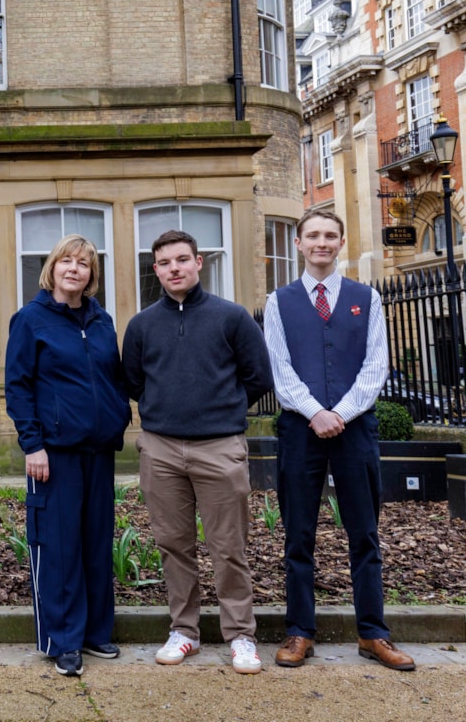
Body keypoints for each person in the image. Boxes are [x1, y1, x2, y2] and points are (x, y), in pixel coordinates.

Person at [263, 208, 414, 671]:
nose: (321, 243)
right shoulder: (278, 302)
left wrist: (340, 415)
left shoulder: (366, 298)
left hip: (355, 430)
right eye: (313, 235)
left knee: (364, 533)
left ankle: (373, 633)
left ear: (341, 242)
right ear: (299, 244)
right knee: (298, 534)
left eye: (330, 235)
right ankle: (299, 632)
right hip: (299, 429)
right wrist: (314, 412)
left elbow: (376, 366)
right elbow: (279, 368)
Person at [121, 229, 272, 675]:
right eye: (165, 263)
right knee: (173, 545)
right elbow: (133, 381)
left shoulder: (232, 317)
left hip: (220, 446)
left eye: (182, 260)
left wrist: (220, 411)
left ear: (199, 262)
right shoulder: (142, 325)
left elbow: (258, 376)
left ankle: (241, 635)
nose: (175, 269)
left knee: (228, 546)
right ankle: (184, 631)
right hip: (162, 449)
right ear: (156, 270)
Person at [4, 234, 131, 678]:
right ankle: (63, 641)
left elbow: (112, 379)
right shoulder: (30, 320)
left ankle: (96, 633)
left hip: (98, 450)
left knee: (96, 542)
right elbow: (18, 387)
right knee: (58, 546)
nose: (75, 269)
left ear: (91, 275)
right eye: (67, 262)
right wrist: (32, 443)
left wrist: (118, 419)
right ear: (53, 269)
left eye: (84, 263)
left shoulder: (101, 321)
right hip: (53, 454)